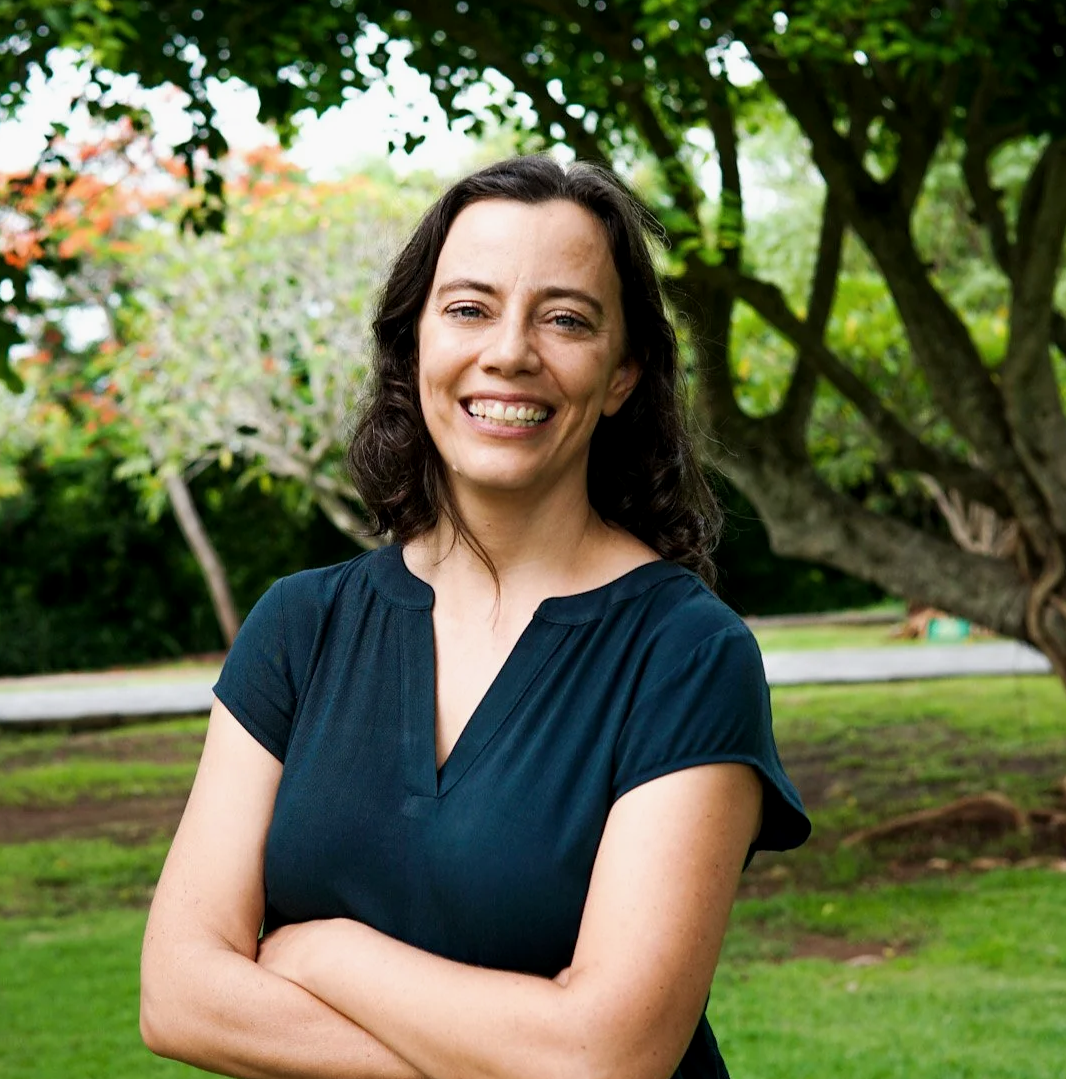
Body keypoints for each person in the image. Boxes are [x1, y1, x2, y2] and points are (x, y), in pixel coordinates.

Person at [140, 155, 810, 1079]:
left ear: (623, 374)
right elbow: (179, 993)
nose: (509, 351)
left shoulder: (688, 655)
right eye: (468, 308)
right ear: (415, 341)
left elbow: (608, 1058)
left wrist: (324, 951)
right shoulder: (300, 627)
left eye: (566, 318)